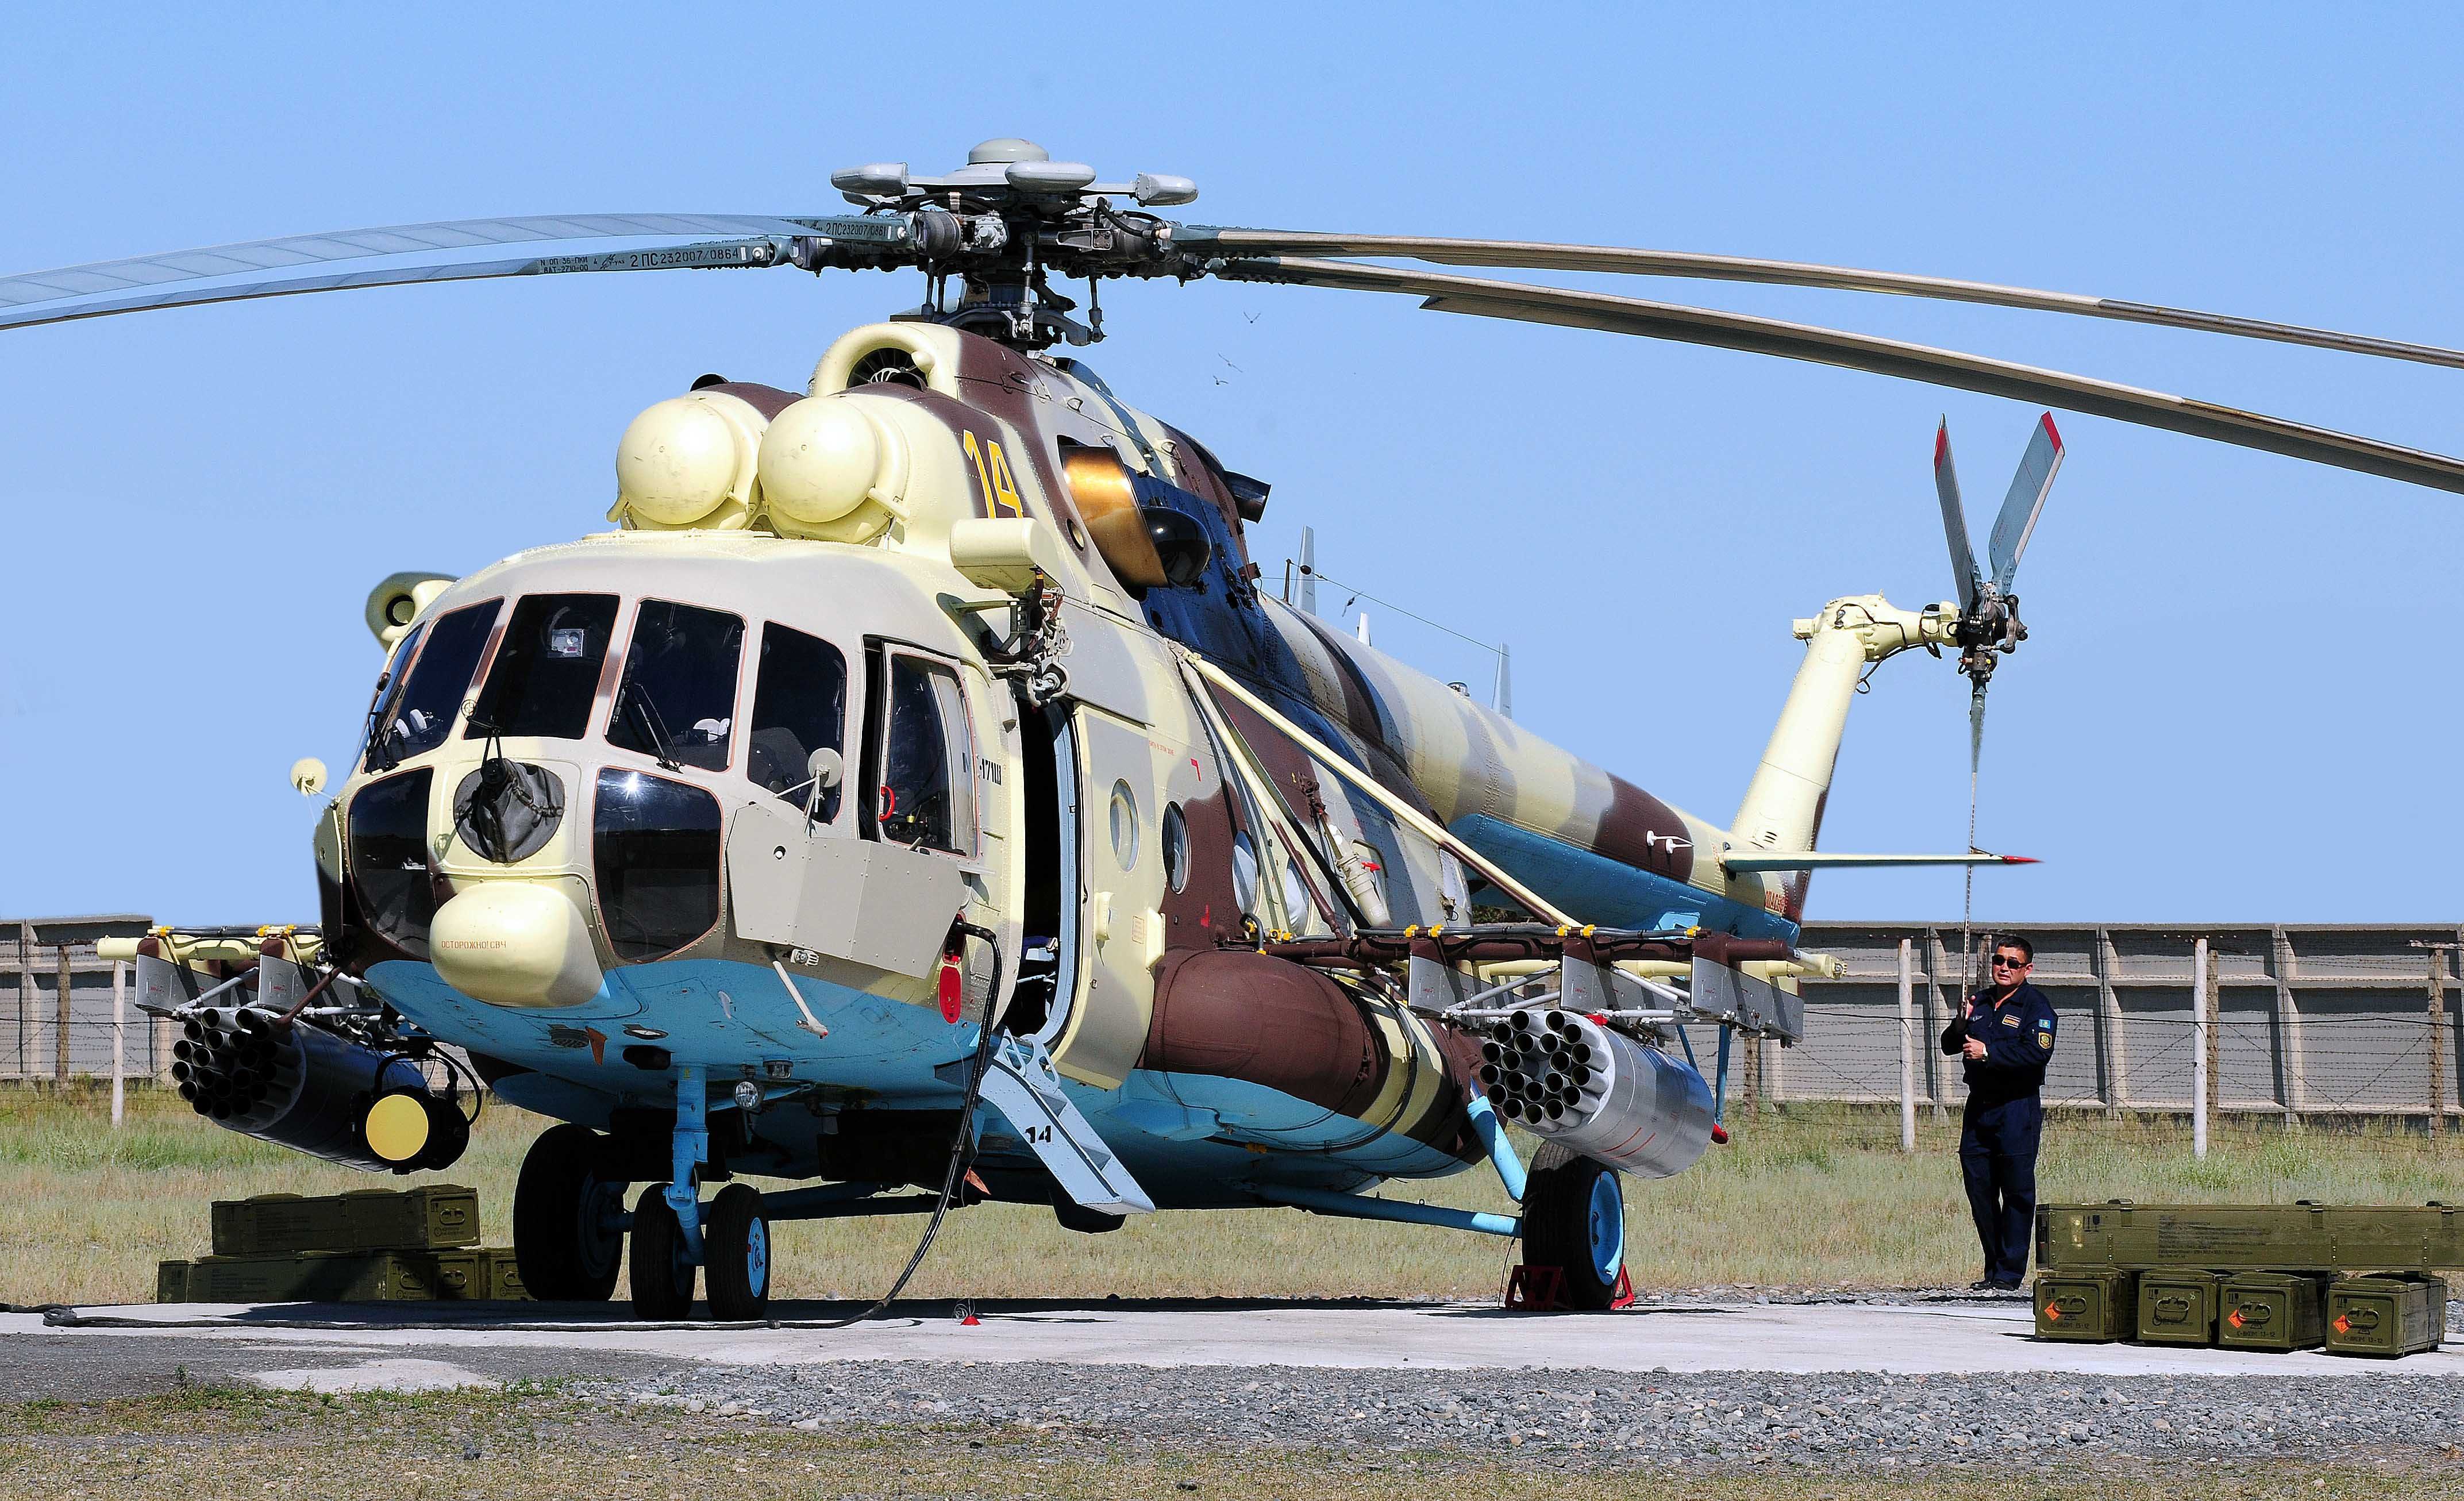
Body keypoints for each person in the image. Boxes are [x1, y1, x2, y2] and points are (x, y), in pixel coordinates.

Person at [1939, 936, 2057, 1291]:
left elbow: (2036, 1057)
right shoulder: (1981, 1002)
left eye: (2013, 963)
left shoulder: (2037, 1008)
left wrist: (1989, 1053)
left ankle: (2009, 1275)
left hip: (2016, 1109)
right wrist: (1961, 1023)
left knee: (2017, 1192)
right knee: (1980, 1188)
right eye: (1999, 961)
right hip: (1980, 1107)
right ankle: (1992, 1270)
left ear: (2027, 969)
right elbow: (1949, 1046)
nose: (2004, 968)